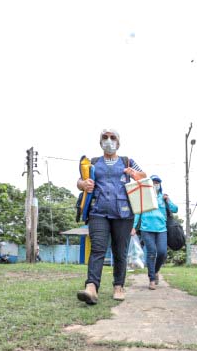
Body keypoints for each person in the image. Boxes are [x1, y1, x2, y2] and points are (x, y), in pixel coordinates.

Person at [76, 129, 146, 304]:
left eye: (112, 137)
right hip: (98, 211)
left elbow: (144, 177)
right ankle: (91, 287)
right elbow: (79, 181)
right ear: (100, 142)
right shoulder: (93, 163)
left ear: (118, 143)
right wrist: (84, 184)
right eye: (105, 138)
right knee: (98, 249)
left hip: (123, 213)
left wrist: (134, 174)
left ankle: (119, 286)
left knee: (119, 251)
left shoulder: (127, 161)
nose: (108, 140)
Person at [132, 175, 178, 289]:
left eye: (157, 182)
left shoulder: (163, 197)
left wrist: (168, 200)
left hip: (161, 229)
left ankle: (156, 271)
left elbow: (175, 209)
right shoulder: (144, 197)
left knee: (162, 252)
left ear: (160, 185)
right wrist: (133, 227)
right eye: (153, 182)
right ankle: (152, 279)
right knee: (151, 252)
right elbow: (138, 213)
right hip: (146, 229)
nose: (155, 184)